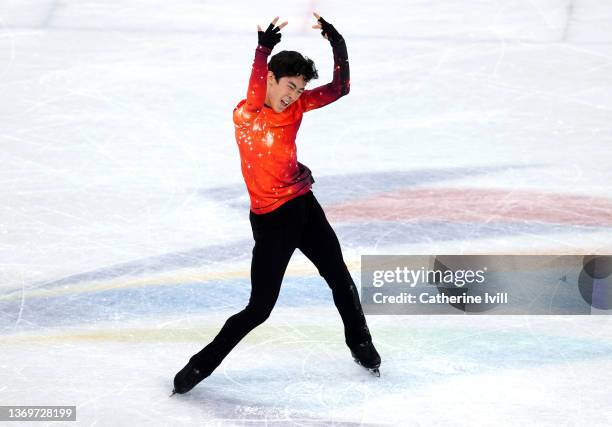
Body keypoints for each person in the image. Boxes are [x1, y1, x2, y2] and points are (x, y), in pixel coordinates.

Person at [173, 13, 380, 395]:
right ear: (270, 79)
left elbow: (341, 88)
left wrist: (337, 41)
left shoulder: (297, 109)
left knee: (339, 277)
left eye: (299, 90)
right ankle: (200, 365)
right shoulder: (247, 114)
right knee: (259, 309)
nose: (293, 96)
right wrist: (263, 49)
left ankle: (362, 345)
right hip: (271, 221)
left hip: (303, 206)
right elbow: (255, 92)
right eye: (289, 86)